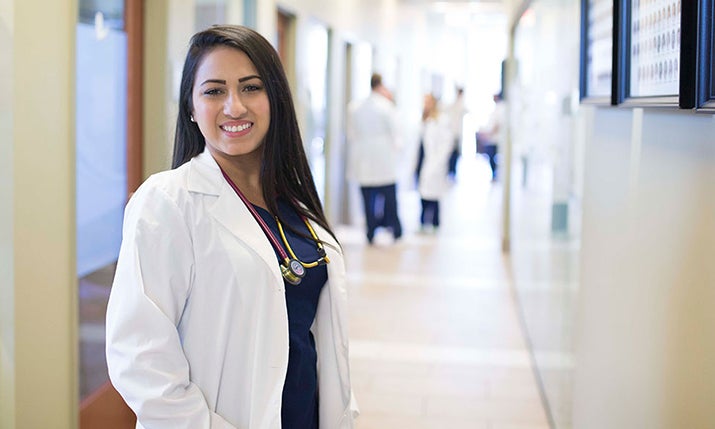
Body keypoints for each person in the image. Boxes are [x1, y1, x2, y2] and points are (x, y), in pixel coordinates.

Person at [105, 25, 358, 429]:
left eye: (251, 87)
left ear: (274, 98)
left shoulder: (294, 203)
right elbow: (140, 358)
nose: (235, 106)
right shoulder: (168, 202)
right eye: (214, 91)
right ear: (190, 106)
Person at [347, 73, 402, 245]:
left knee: (367, 197)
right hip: (384, 158)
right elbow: (396, 134)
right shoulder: (386, 106)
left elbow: (351, 132)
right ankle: (395, 229)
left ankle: (371, 231)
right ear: (381, 85)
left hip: (363, 156)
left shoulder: (354, 107)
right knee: (389, 196)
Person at [418, 93, 453, 232]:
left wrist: (439, 161)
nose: (425, 104)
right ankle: (423, 222)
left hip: (435, 161)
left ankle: (434, 223)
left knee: (433, 194)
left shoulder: (442, 120)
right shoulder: (425, 119)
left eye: (428, 101)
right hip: (425, 160)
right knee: (425, 192)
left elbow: (446, 143)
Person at [476, 92, 504, 181]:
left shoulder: (501, 108)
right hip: (492, 138)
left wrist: (489, 134)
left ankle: (495, 175)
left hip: (495, 138)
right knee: (490, 156)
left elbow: (498, 125)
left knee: (492, 156)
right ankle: (494, 174)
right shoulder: (496, 109)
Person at [445, 86, 467, 179]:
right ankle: (451, 171)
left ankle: (453, 171)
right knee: (451, 152)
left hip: (457, 133)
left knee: (455, 153)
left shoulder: (461, 104)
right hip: (452, 132)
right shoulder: (453, 104)